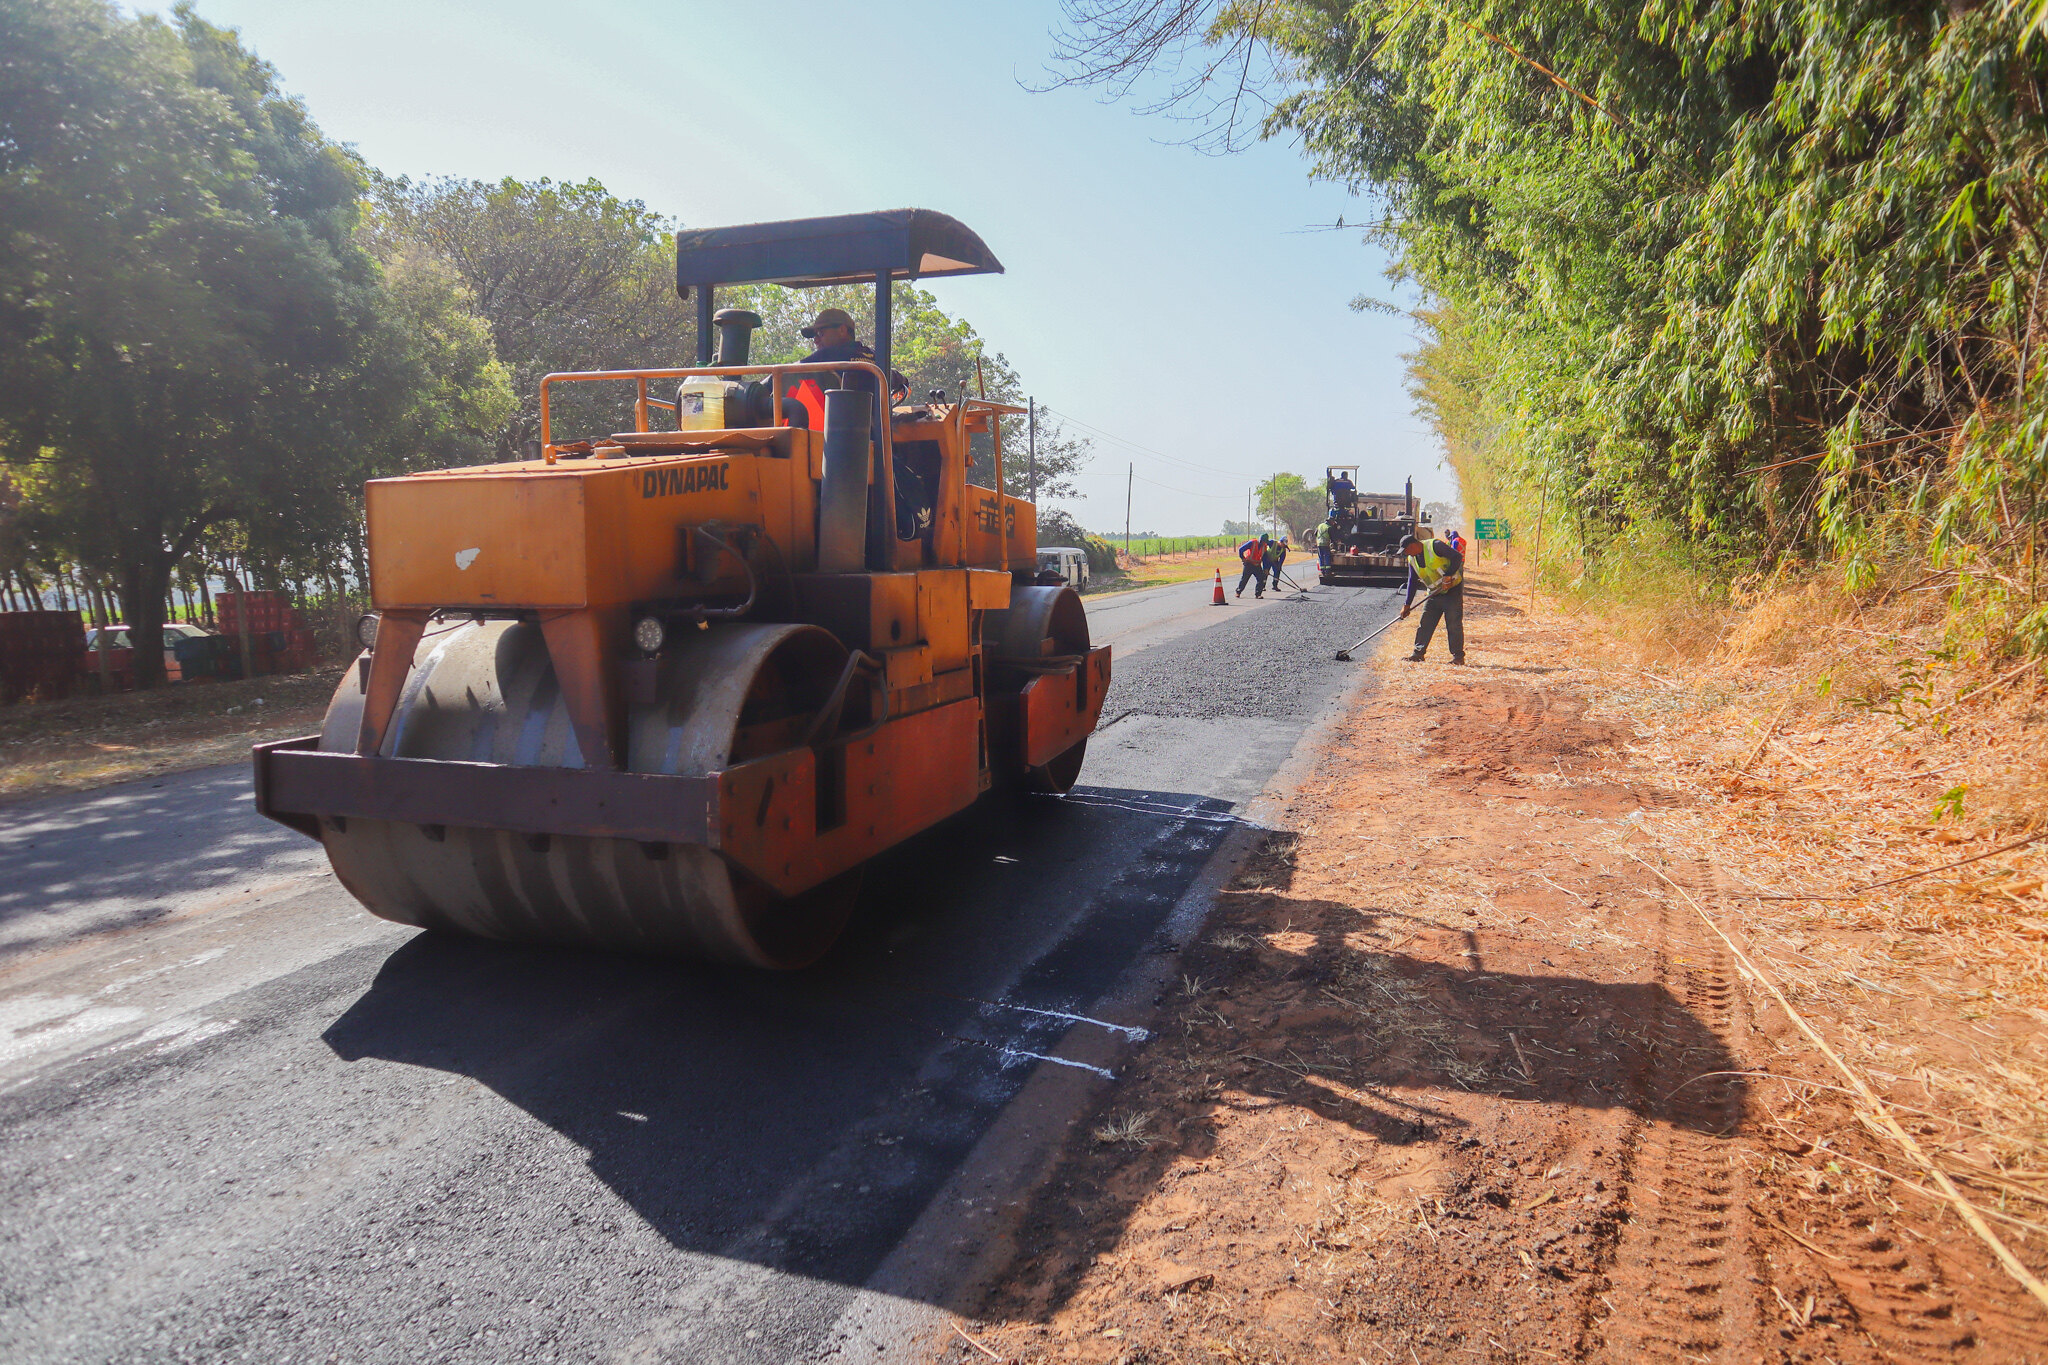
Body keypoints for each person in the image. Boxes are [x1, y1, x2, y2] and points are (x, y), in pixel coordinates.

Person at [1399, 531, 1466, 664]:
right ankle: (1418, 653)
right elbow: (1412, 581)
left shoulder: (1435, 545)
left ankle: (1458, 657)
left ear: (1413, 545)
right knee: (1425, 623)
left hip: (1452, 590)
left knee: (1453, 624)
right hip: (1434, 593)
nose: (1406, 553)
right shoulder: (1412, 559)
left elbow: (1457, 557)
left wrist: (1448, 575)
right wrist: (1407, 604)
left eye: (1406, 550)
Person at [1235, 534, 1269, 599]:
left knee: (1261, 579)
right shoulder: (1252, 542)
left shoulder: (1264, 547)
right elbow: (1241, 549)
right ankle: (1238, 592)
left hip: (1257, 565)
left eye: (1265, 542)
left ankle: (1258, 594)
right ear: (1261, 540)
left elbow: (1265, 558)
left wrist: (1266, 569)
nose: (1264, 543)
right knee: (1244, 579)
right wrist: (1243, 558)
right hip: (1249, 564)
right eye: (1263, 541)